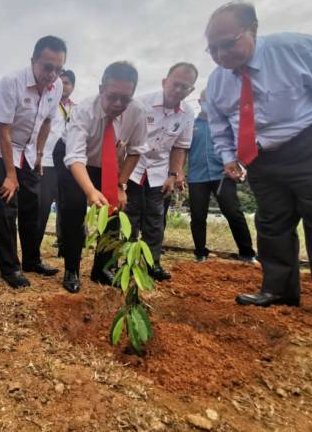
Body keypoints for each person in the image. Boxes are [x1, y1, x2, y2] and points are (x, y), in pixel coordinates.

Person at [205, 0, 312, 338]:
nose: (220, 56)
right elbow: (220, 123)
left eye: (227, 44)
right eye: (212, 49)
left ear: (253, 30)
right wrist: (228, 156)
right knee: (272, 223)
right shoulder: (218, 81)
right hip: (262, 157)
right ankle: (278, 289)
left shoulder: (297, 49)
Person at [60, 61, 148, 293]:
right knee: (73, 212)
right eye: (112, 97)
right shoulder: (83, 111)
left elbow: (136, 151)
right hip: (77, 162)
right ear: (101, 90)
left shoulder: (137, 112)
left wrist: (120, 185)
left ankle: (102, 269)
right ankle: (71, 269)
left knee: (114, 214)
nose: (118, 104)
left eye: (125, 99)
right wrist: (89, 191)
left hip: (110, 163)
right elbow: (74, 156)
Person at [0, 36, 66, 288]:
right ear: (33, 61)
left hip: (30, 153)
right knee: (7, 209)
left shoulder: (57, 87)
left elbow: (46, 122)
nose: (52, 74)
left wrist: (40, 155)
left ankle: (32, 260)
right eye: (47, 67)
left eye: (58, 68)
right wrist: (10, 175)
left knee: (33, 206)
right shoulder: (11, 83)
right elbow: (4, 131)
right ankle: (10, 267)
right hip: (2, 151)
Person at [125, 62, 197, 281]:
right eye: (175, 84)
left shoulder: (187, 114)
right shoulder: (140, 104)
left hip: (159, 173)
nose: (178, 90)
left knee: (155, 220)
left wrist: (174, 175)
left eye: (185, 87)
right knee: (129, 217)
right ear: (165, 82)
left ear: (191, 90)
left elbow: (180, 146)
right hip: (133, 168)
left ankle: (151, 263)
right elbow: (124, 137)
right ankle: (125, 263)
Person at [187, 89, 255, 263]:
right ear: (200, 101)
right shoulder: (191, 125)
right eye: (205, 100)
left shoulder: (224, 125)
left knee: (233, 213)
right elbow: (181, 150)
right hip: (197, 177)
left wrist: (240, 166)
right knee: (198, 216)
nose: (208, 103)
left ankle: (247, 253)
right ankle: (200, 253)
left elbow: (236, 147)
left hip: (222, 175)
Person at [37, 69, 75, 259]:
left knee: (67, 206)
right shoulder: (47, 103)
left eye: (68, 83)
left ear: (73, 87)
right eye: (61, 82)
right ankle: (34, 249)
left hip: (68, 165)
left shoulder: (76, 109)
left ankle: (64, 246)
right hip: (47, 162)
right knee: (42, 206)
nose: (64, 86)